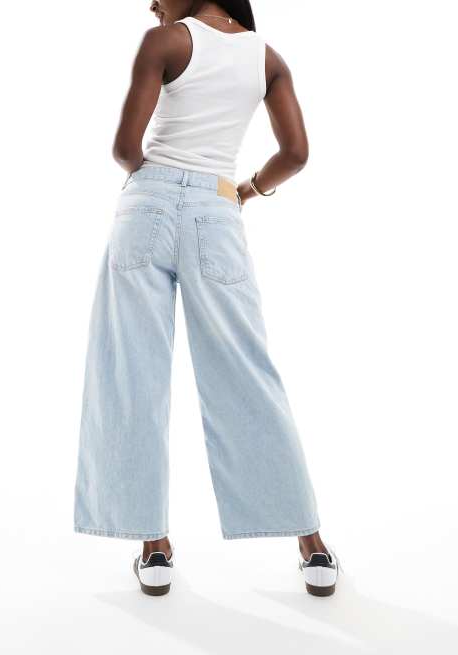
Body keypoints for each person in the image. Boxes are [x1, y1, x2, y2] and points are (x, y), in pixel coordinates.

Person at [73, 0, 341, 597]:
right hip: (218, 211)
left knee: (132, 374)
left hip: (145, 209)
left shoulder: (165, 41)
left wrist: (156, 182)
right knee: (248, 372)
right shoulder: (268, 59)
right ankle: (312, 544)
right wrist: (246, 189)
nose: (150, 4)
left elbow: (125, 148)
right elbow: (296, 155)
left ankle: (154, 548)